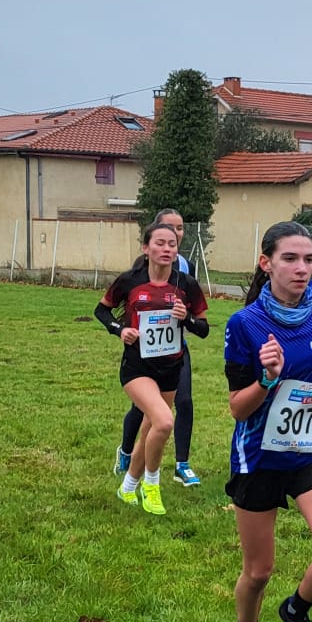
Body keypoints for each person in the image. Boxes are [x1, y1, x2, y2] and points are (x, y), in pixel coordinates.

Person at [223, 222, 312, 622]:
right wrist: (267, 379)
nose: (302, 268)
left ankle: (296, 610)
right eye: (290, 259)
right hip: (259, 456)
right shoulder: (245, 324)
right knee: (258, 571)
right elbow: (238, 409)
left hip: (310, 449)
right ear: (267, 263)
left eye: (308, 260)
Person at [95, 221, 210, 516]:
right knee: (164, 422)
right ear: (146, 248)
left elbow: (203, 329)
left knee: (150, 429)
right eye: (160, 243)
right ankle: (152, 484)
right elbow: (101, 310)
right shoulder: (130, 281)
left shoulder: (186, 284)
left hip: (171, 368)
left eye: (172, 244)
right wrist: (120, 329)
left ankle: (127, 487)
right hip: (137, 367)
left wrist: (186, 319)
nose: (167, 249)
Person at [114, 207, 203, 486]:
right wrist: (123, 330)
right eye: (168, 229)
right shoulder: (138, 273)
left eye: (179, 230)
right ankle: (127, 455)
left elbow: (200, 321)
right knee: (145, 413)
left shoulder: (186, 271)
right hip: (142, 357)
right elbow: (115, 307)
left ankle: (181, 464)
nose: (174, 235)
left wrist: (185, 318)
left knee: (183, 403)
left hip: (175, 352)